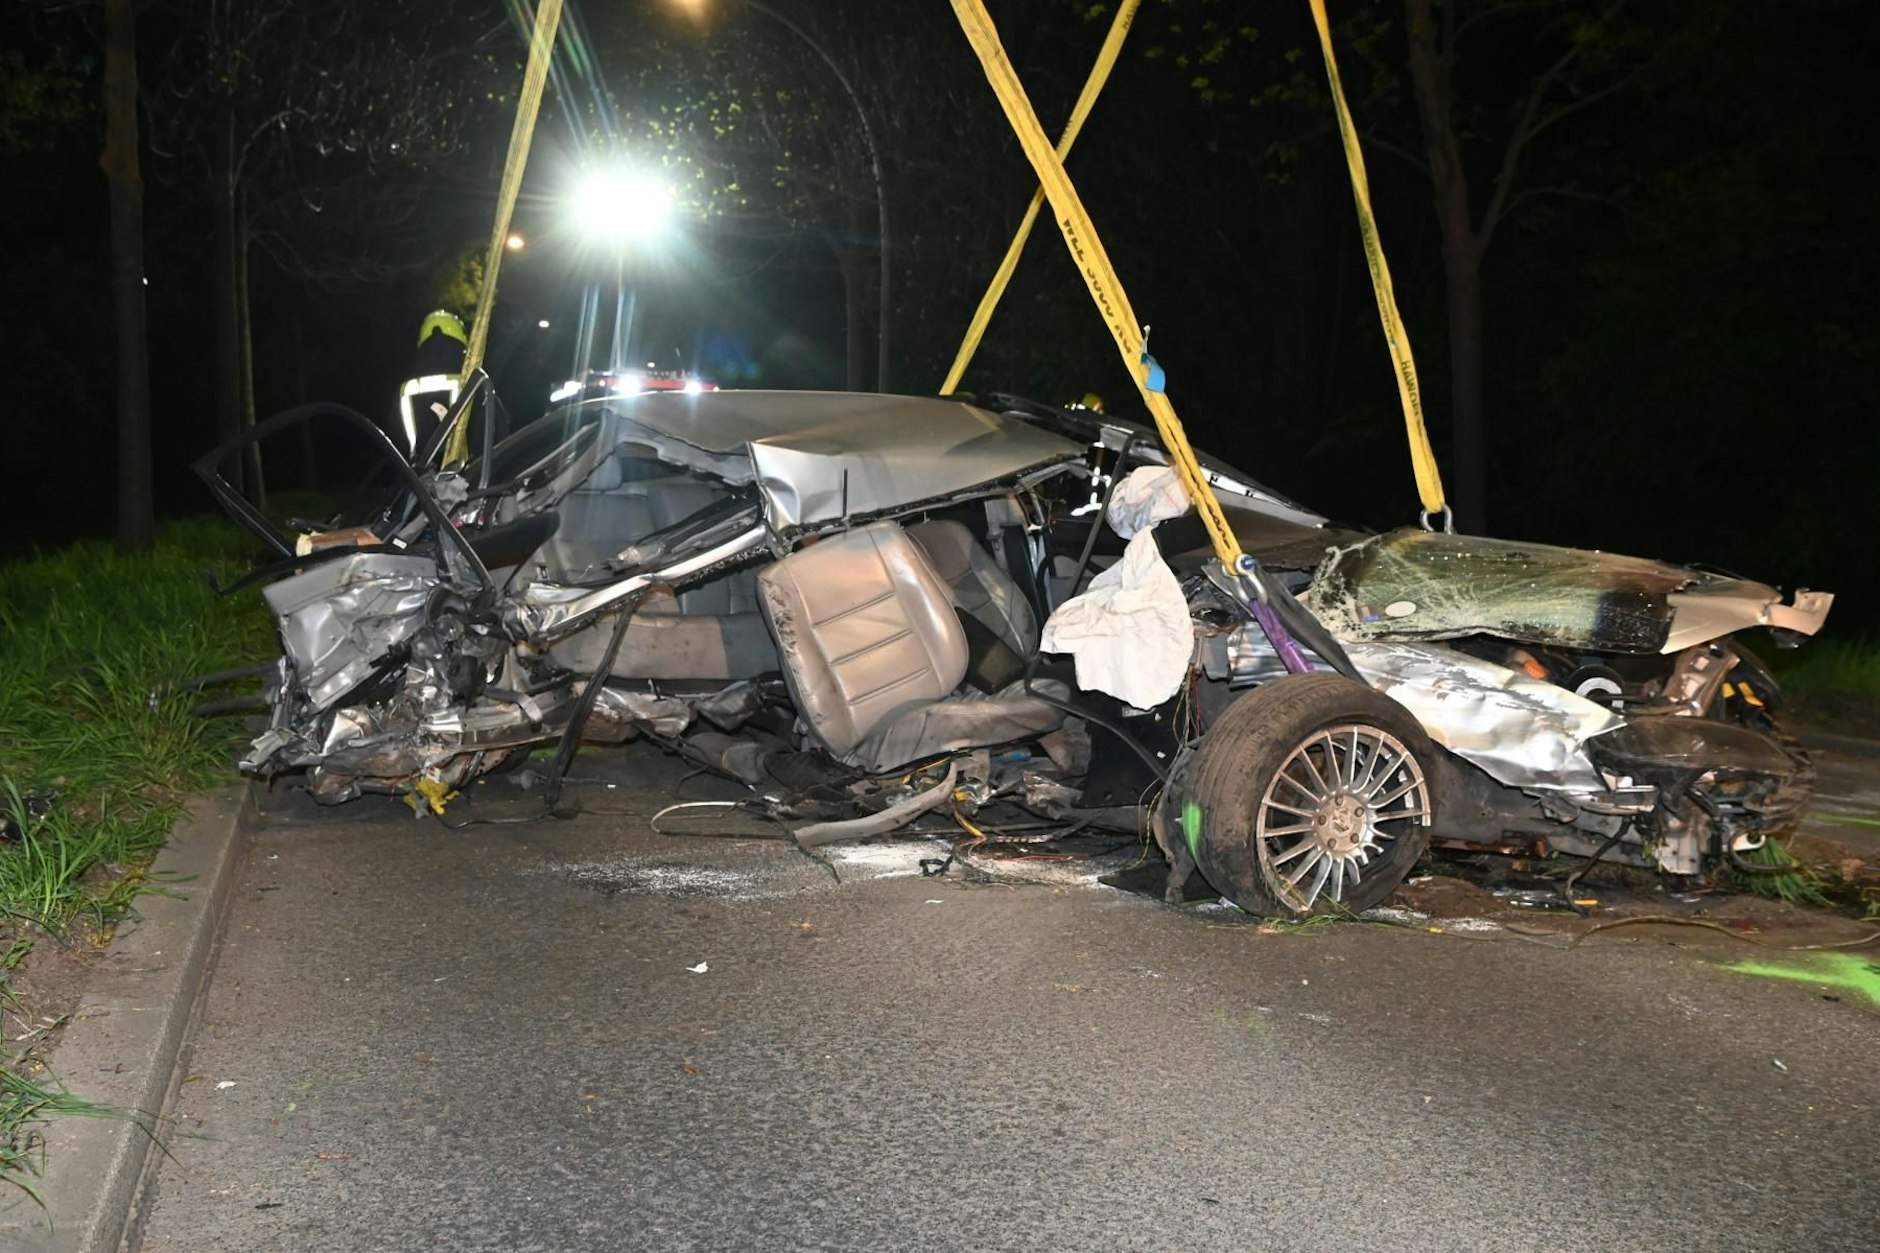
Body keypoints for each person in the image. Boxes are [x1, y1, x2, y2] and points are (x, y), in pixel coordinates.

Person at [399, 310, 468, 456]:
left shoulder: (404, 393)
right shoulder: (475, 386)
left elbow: (394, 439)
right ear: (462, 349)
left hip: (414, 475)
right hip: (474, 476)